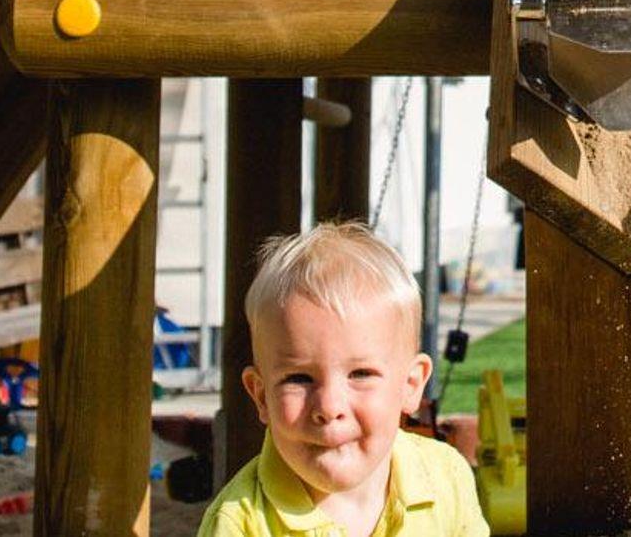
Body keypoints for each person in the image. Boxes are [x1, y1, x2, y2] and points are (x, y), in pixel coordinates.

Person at [199, 222, 488, 537]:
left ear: (410, 385)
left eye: (361, 374)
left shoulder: (445, 478)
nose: (329, 406)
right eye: (299, 378)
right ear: (261, 396)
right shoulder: (240, 523)